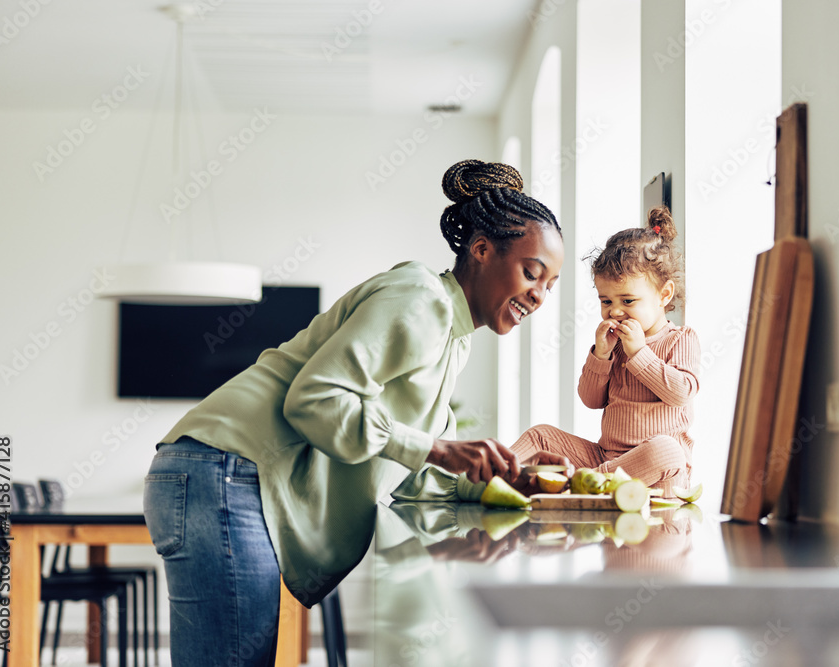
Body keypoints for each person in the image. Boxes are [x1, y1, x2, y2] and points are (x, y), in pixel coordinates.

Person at [142, 159, 567, 665]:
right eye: (531, 273)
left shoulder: (453, 339)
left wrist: (507, 481)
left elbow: (411, 467)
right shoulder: (420, 297)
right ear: (480, 250)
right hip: (222, 470)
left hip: (222, 475)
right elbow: (317, 400)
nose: (539, 296)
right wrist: (437, 448)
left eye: (551, 285)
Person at [511, 206, 700, 497]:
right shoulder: (616, 346)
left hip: (653, 470)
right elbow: (590, 399)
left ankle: (582, 483)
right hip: (606, 459)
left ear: (664, 295)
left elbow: (682, 392)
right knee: (541, 435)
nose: (615, 311)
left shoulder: (681, 338)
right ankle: (493, 474)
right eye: (606, 301)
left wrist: (640, 355)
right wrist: (600, 356)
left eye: (628, 300)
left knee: (668, 450)